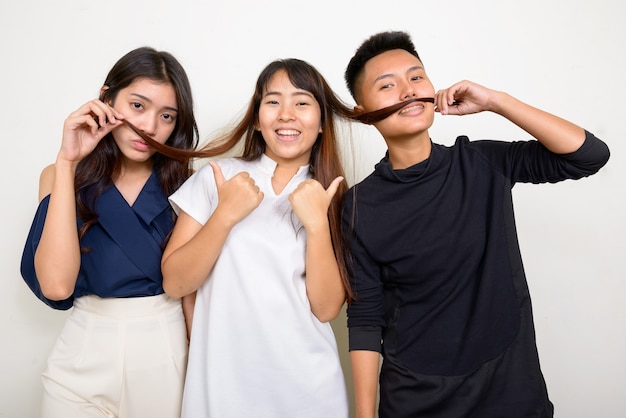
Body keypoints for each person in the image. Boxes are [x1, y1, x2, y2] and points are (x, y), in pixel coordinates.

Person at [342, 31, 610, 418]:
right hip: (417, 399)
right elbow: (365, 320)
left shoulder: (482, 163)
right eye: (387, 85)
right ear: (362, 110)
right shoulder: (356, 206)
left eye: (416, 77)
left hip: (511, 391)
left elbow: (589, 155)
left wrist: (497, 102)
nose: (407, 90)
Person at [161, 58, 353, 418]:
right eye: (273, 101)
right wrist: (225, 215)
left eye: (302, 102)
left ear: (323, 122)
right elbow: (175, 282)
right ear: (256, 118)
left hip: (309, 389)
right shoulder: (218, 178)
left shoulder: (334, 197)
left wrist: (316, 224)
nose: (286, 114)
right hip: (222, 385)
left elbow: (326, 309)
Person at [20, 47, 199, 418]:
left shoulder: (189, 188)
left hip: (164, 359)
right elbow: (56, 286)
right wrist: (67, 162)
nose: (150, 126)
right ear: (106, 99)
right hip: (81, 357)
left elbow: (190, 296)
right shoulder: (59, 176)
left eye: (166, 116)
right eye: (137, 106)